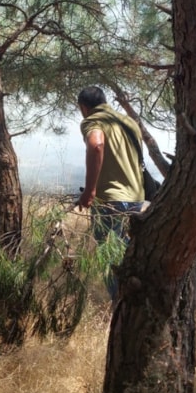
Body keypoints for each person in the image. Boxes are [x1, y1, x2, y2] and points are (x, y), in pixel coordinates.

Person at [73, 86, 144, 300]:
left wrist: (90, 190)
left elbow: (96, 145)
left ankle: (119, 305)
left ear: (84, 107)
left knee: (111, 256)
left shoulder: (92, 120)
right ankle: (134, 304)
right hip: (136, 198)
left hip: (110, 201)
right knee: (130, 255)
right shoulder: (129, 122)